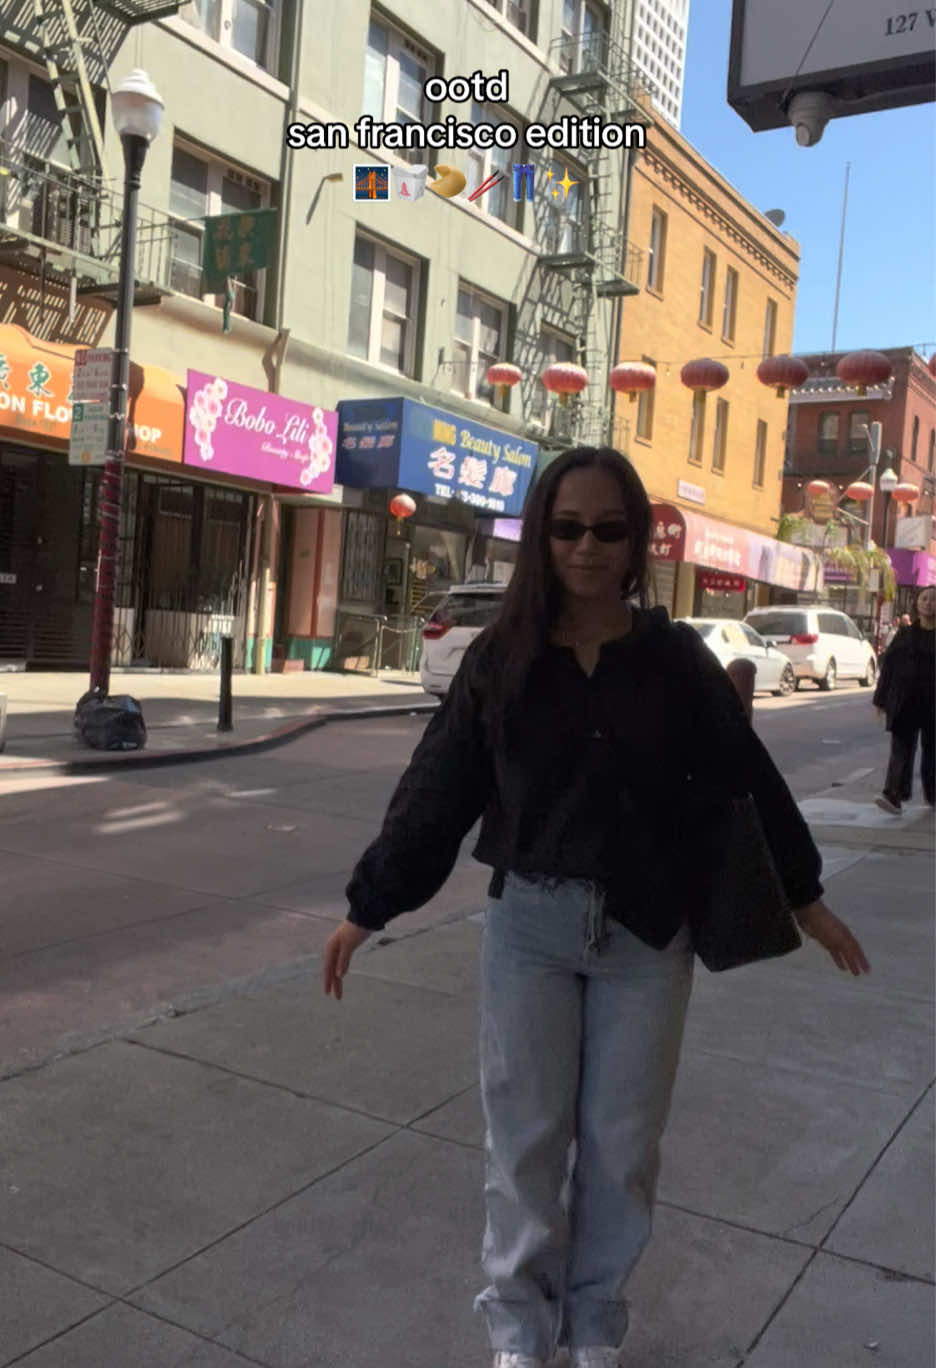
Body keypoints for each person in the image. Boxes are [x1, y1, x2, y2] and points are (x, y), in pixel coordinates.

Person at [322, 447, 870, 1368]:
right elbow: (437, 793)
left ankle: (593, 1328)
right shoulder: (502, 658)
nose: (586, 546)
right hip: (529, 929)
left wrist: (807, 901)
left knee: (621, 1150)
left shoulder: (676, 661)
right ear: (542, 535)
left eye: (608, 529)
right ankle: (520, 1334)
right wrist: (367, 908)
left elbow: (749, 781)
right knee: (526, 1147)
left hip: (647, 935)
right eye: (567, 527)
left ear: (635, 544)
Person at [873, 585, 936, 814]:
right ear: (917, 603)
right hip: (905, 702)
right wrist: (880, 700)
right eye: (925, 599)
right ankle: (894, 795)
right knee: (901, 750)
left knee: (932, 753)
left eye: (933, 600)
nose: (929, 603)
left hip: (932, 705)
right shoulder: (905, 634)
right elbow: (888, 668)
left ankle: (933, 794)